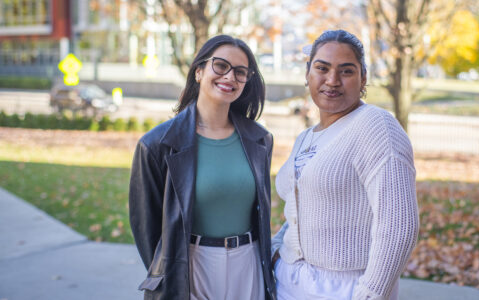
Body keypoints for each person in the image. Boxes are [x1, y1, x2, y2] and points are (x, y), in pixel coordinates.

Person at [271, 29, 419, 300]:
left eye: (346, 71)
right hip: (288, 281)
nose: (332, 80)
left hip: (344, 287)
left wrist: (369, 294)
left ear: (363, 78)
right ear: (308, 75)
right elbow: (298, 212)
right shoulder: (306, 137)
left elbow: (398, 226)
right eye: (322, 68)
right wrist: (276, 251)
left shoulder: (375, 125)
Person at [129, 35, 276, 300]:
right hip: (191, 266)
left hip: (248, 264)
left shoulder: (260, 140)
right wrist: (170, 273)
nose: (230, 77)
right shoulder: (156, 145)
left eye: (240, 72)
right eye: (220, 66)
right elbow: (146, 229)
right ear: (199, 71)